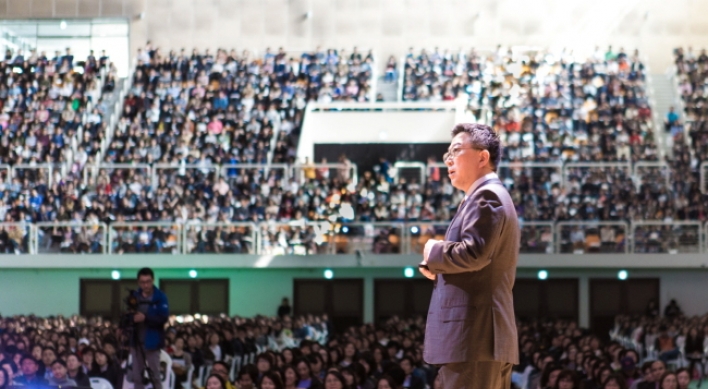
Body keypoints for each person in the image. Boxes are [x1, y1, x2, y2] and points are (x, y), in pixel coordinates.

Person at [418, 123, 519, 389]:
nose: (449, 160)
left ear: (482, 157)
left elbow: (474, 252)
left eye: (456, 150)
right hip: (481, 339)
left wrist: (434, 250)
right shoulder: (483, 196)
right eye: (446, 155)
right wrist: (438, 265)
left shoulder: (486, 195)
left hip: (476, 338)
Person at [129, 267, 169, 389]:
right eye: (142, 282)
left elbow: (163, 317)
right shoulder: (134, 297)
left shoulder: (160, 297)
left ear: (153, 280)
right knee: (137, 376)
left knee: (155, 376)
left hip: (153, 341)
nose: (146, 285)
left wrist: (145, 318)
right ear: (138, 282)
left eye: (148, 282)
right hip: (136, 342)